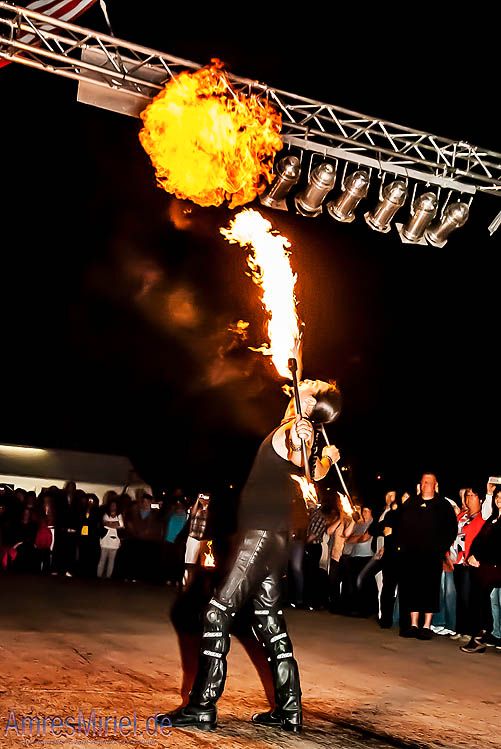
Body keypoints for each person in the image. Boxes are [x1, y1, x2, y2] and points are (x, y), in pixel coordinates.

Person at [156, 378, 341, 733]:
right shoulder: (299, 433)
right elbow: (306, 470)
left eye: (312, 384)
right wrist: (324, 463)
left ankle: (202, 705)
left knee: (215, 613)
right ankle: (289, 710)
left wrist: (302, 436)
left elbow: (295, 442)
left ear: (310, 401)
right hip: (275, 539)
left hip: (258, 536)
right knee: (269, 622)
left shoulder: (294, 428)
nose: (305, 380)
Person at [397, 473, 458, 639]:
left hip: (432, 556)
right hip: (412, 555)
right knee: (412, 588)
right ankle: (414, 624)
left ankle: (426, 625)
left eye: (429, 482)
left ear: (435, 485)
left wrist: (441, 549)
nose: (426, 485)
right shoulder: (411, 503)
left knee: (430, 589)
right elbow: (401, 525)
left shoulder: (443, 505)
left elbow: (452, 530)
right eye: (423, 482)